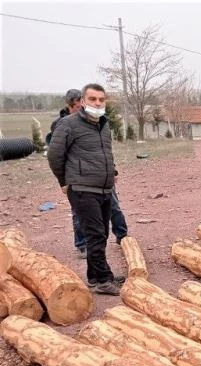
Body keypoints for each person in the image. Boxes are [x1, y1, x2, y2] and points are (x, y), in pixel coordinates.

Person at [48, 83, 124, 295]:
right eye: (92, 99)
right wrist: (63, 181)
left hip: (104, 188)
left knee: (102, 233)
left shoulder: (103, 124)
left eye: (101, 99)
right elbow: (54, 155)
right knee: (95, 235)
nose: (97, 103)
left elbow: (104, 152)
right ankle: (103, 281)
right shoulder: (68, 124)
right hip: (82, 188)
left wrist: (112, 170)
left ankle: (95, 276)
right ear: (82, 101)